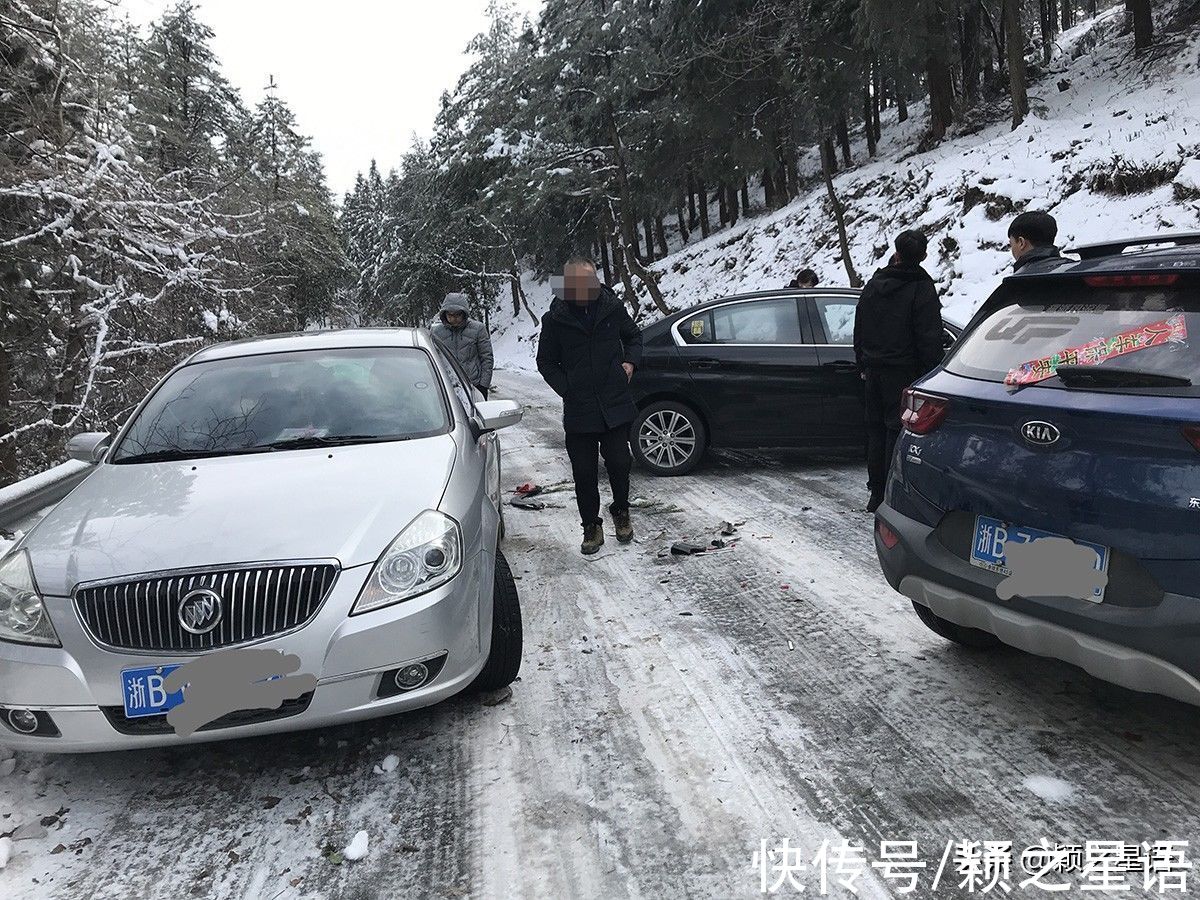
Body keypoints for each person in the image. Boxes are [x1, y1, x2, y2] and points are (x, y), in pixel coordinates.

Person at [536, 256, 643, 555]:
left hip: (614, 403)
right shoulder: (555, 318)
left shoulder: (612, 307)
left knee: (620, 464)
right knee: (584, 472)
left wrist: (630, 362)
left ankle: (621, 510)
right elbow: (545, 361)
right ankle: (590, 527)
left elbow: (634, 336)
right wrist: (567, 388)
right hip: (580, 408)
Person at [853, 230, 945, 513]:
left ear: (896, 253)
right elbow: (929, 336)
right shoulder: (921, 287)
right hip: (905, 372)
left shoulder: (874, 284)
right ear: (924, 256)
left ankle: (875, 491)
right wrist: (933, 374)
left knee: (875, 430)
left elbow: (860, 327)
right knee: (897, 430)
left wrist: (863, 363)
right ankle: (891, 492)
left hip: (874, 371)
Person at [431, 293, 494, 398]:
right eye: (450, 315)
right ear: (444, 314)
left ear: (464, 313)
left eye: (457, 315)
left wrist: (484, 385)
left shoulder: (478, 329)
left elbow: (487, 358)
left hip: (474, 385)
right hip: (447, 386)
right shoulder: (436, 332)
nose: (454, 318)